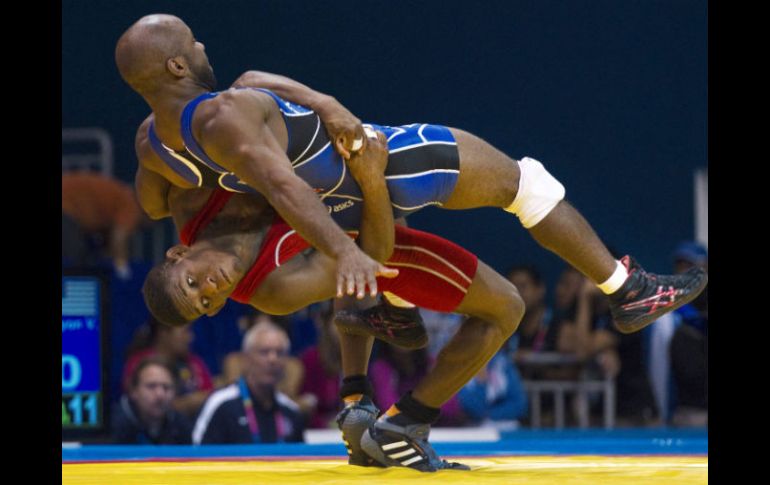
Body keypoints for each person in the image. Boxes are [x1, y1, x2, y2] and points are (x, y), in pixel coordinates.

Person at [116, 14, 707, 339]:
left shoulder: (156, 148)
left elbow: (156, 204)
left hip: (339, 195)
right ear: (177, 64)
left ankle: (385, 310)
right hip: (383, 163)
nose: (202, 46)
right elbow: (282, 187)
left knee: (379, 252)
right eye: (193, 44)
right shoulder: (220, 115)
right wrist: (343, 253)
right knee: (527, 186)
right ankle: (626, 290)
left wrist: (325, 103)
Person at [193, 319, 305, 443]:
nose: (273, 360)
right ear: (246, 358)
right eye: (264, 352)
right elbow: (198, 452)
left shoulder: (291, 411)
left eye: (279, 353)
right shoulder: (221, 404)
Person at [111, 356, 192, 444]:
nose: (160, 395)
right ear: (133, 390)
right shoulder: (112, 425)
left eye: (166, 387)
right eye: (151, 386)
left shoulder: (182, 426)